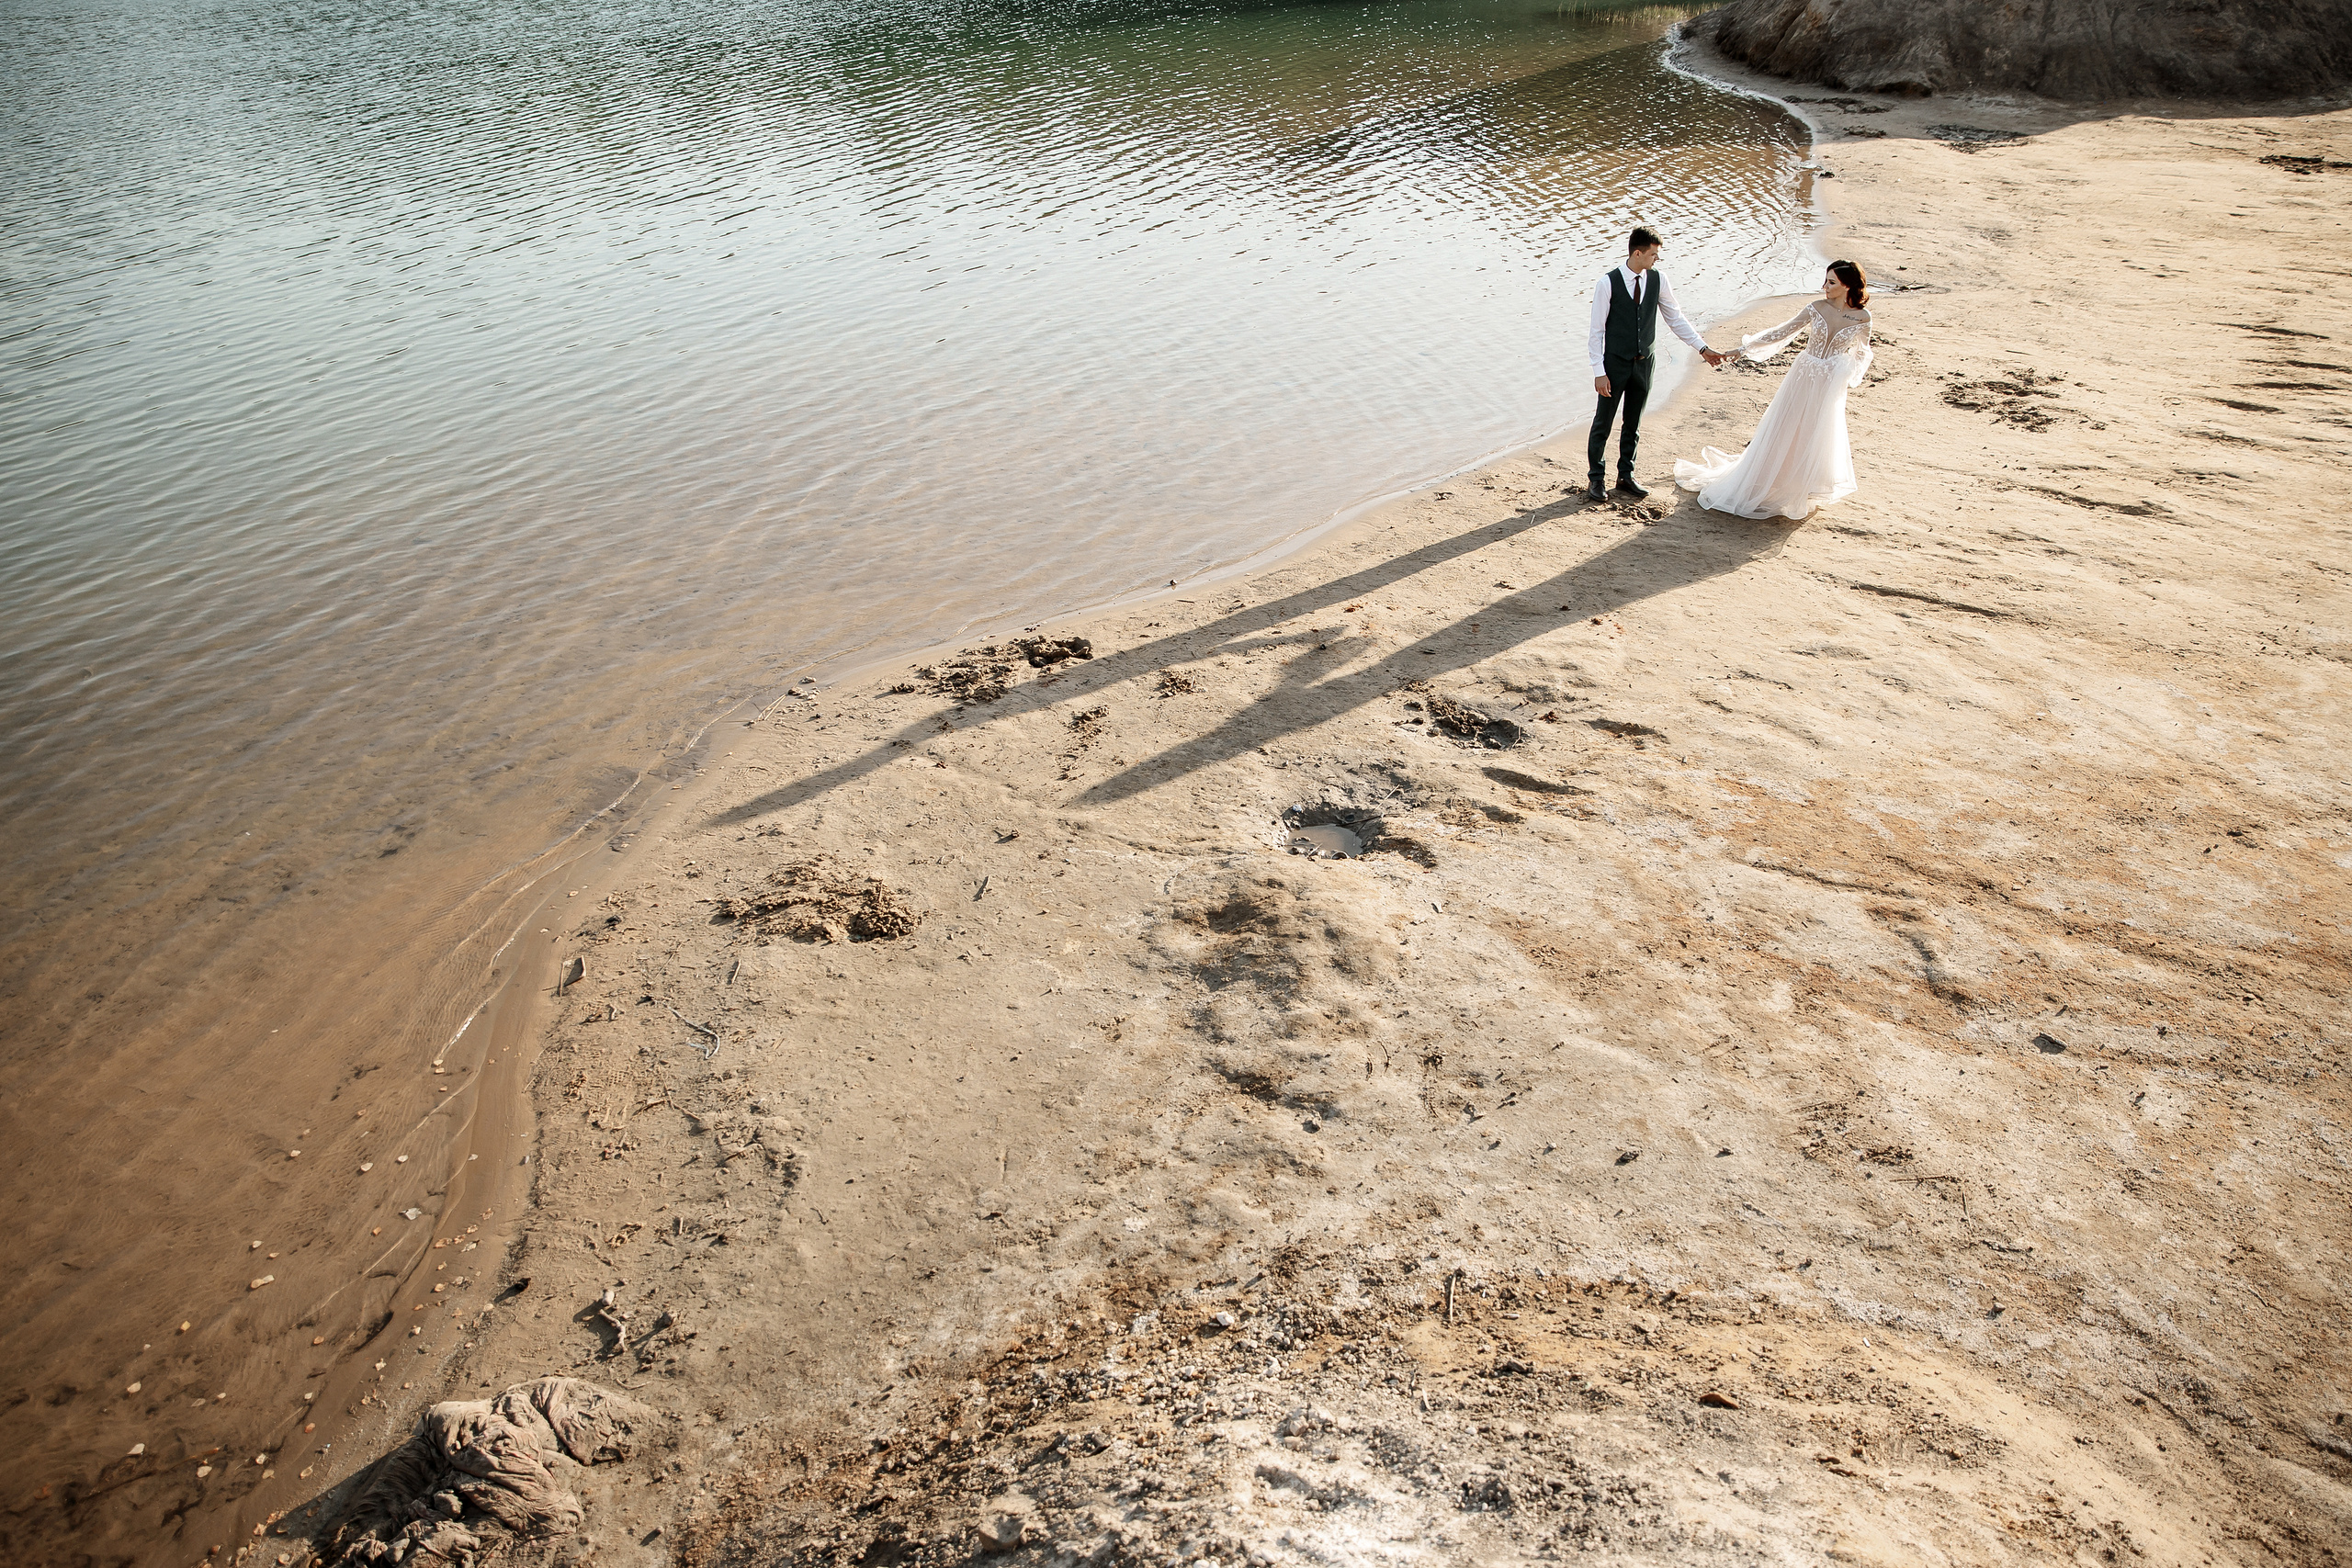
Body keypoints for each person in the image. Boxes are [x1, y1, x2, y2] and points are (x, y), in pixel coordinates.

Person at [1673, 260, 1875, 522]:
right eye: (1825, 280)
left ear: (1847, 285)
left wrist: (1847, 369)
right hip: (1804, 374)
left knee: (1817, 429)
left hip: (1829, 382)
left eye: (1831, 282)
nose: (1824, 286)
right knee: (1787, 424)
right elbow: (1782, 331)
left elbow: (1863, 352)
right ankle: (1767, 480)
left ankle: (1802, 485)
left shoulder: (1862, 318)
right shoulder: (1816, 308)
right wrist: (1744, 349)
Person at [1586, 225, 1724, 503]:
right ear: (1638, 253)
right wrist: (1599, 372)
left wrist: (1702, 347)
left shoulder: (1658, 280)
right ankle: (1596, 479)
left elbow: (1675, 318)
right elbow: (1596, 332)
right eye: (1653, 255)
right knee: (1604, 421)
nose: (1655, 260)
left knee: (1633, 422)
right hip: (1614, 364)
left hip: (1644, 363)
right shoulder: (1607, 283)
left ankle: (1626, 475)